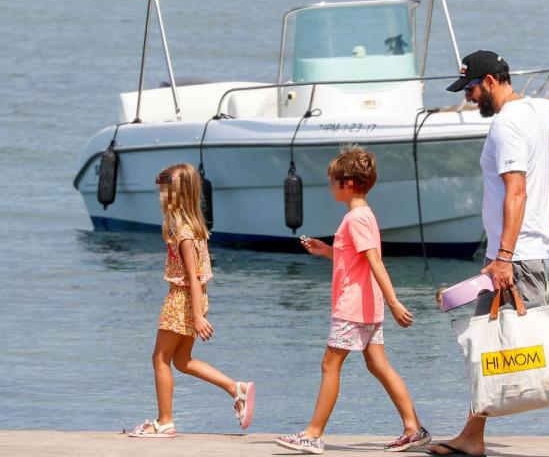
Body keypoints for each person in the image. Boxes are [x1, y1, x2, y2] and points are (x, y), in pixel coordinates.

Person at [429, 51, 549, 457]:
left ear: (492, 82)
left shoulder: (506, 126)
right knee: (487, 340)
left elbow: (516, 191)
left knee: (538, 339)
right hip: (518, 251)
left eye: (471, 88)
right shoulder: (537, 109)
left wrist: (502, 255)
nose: (468, 97)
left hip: (517, 255)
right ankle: (472, 436)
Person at [276, 146, 429, 455]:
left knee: (330, 363)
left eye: (333, 180)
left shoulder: (355, 219)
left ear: (348, 183)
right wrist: (328, 251)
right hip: (368, 305)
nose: (330, 185)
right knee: (378, 364)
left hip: (353, 307)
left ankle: (313, 434)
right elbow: (357, 259)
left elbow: (375, 262)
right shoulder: (364, 216)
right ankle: (413, 428)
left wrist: (395, 301)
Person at [128, 163, 255, 438]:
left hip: (182, 299)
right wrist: (199, 311)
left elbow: (193, 278)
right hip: (193, 300)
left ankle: (165, 422)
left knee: (160, 359)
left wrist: (197, 316)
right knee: (182, 360)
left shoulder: (183, 233)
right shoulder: (194, 229)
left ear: (178, 196)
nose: (161, 198)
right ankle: (236, 389)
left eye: (165, 192)